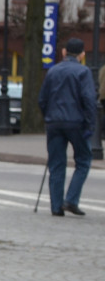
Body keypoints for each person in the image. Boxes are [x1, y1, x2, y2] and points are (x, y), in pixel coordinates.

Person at [38, 37, 95, 217]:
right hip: (76, 122)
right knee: (84, 160)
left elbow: (42, 99)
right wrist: (90, 124)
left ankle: (56, 207)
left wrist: (48, 116)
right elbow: (89, 100)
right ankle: (70, 199)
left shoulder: (53, 71)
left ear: (64, 52)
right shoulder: (83, 72)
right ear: (82, 54)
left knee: (56, 164)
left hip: (54, 122)